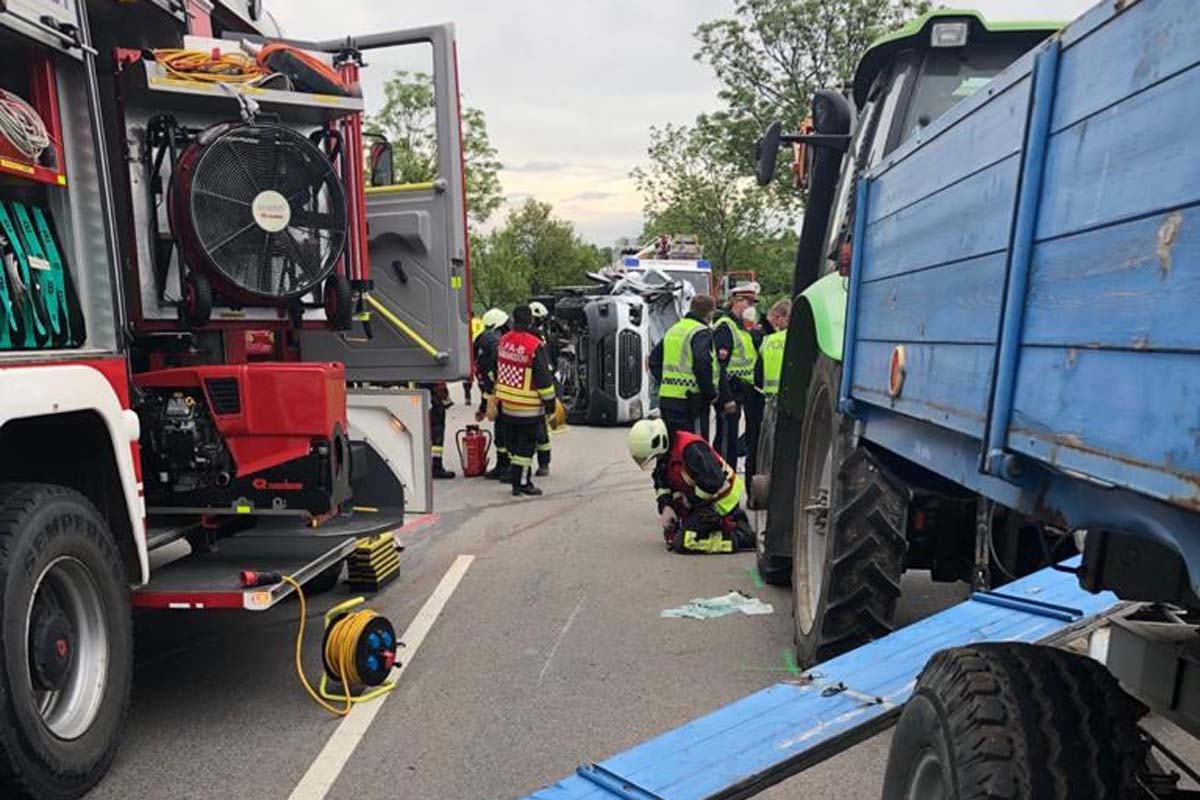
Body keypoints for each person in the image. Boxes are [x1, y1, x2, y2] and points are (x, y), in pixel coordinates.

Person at [627, 418, 752, 554]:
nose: (656, 461)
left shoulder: (690, 448)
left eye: (655, 457)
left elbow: (713, 482)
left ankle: (737, 539)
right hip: (703, 500)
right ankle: (731, 526)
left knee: (685, 542)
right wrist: (666, 507)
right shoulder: (665, 454)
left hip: (721, 501)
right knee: (675, 535)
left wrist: (689, 501)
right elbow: (661, 482)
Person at [495, 305, 557, 497]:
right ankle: (522, 483)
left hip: (507, 405)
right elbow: (543, 379)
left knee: (514, 446)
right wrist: (550, 404)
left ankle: (517, 481)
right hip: (528, 408)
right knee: (525, 448)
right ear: (530, 320)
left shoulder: (504, 341)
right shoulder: (534, 345)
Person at [649, 294, 717, 439]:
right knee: (695, 446)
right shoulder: (701, 332)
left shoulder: (674, 329)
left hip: (667, 399)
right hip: (691, 401)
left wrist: (665, 380)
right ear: (710, 313)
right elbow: (702, 364)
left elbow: (654, 360)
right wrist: (709, 393)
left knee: (671, 446)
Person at [712, 281, 760, 470]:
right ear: (736, 301)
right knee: (725, 443)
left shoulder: (741, 328)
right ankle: (721, 480)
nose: (751, 308)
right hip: (728, 393)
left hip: (739, 393)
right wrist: (726, 398)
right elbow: (719, 366)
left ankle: (728, 479)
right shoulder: (725, 326)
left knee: (731, 441)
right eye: (748, 303)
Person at [746, 299, 791, 485]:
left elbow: (757, 374)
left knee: (765, 449)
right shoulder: (797, 341)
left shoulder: (768, 341)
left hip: (768, 401)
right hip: (790, 403)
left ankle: (758, 490)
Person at [476, 308, 510, 479]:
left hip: (493, 392)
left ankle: (503, 466)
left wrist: (484, 404)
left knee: (501, 429)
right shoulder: (501, 342)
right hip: (506, 392)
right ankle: (508, 468)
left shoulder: (481, 341)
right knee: (508, 430)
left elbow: (481, 375)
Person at [529, 301, 553, 476]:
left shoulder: (538, 337)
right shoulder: (537, 338)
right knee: (539, 431)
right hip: (536, 390)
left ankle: (542, 464)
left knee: (537, 431)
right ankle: (543, 464)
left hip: (531, 392)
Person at [418, 382, 455, 479]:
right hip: (432, 396)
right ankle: (436, 466)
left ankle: (422, 467)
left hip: (419, 392)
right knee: (437, 434)